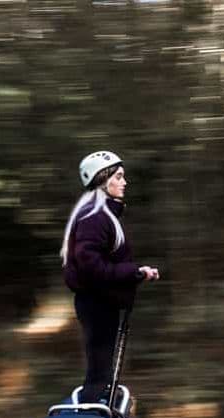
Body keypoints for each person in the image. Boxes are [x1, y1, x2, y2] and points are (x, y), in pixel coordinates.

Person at [60, 150, 159, 404]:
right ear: (103, 180)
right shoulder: (95, 218)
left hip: (102, 304)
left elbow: (105, 264)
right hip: (96, 305)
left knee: (102, 375)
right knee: (98, 377)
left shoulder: (103, 215)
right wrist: (133, 272)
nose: (124, 182)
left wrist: (138, 273)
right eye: (119, 176)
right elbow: (92, 267)